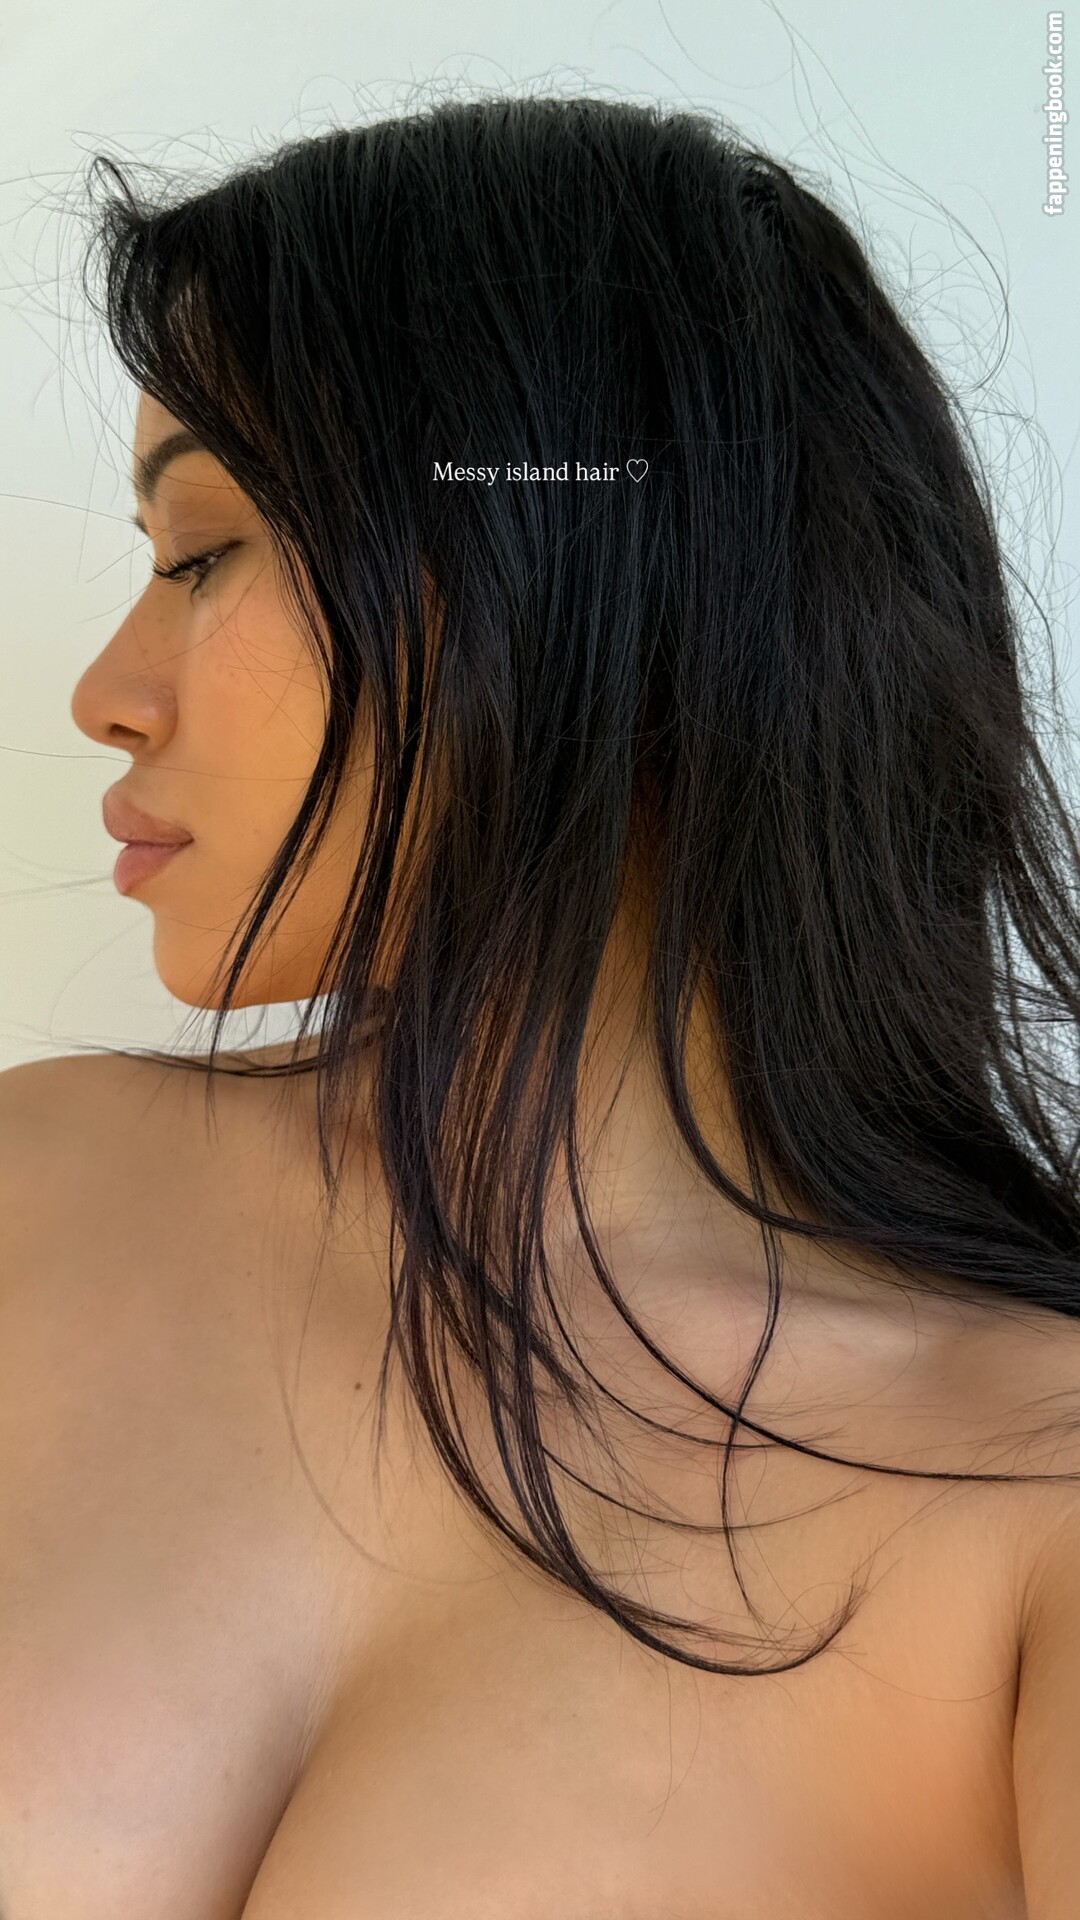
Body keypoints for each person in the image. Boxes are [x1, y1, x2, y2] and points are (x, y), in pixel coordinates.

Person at [1, 92, 1077, 1916]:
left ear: (562, 569)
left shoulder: (1037, 1501)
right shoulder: (34, 1193)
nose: (107, 689)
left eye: (198, 553)